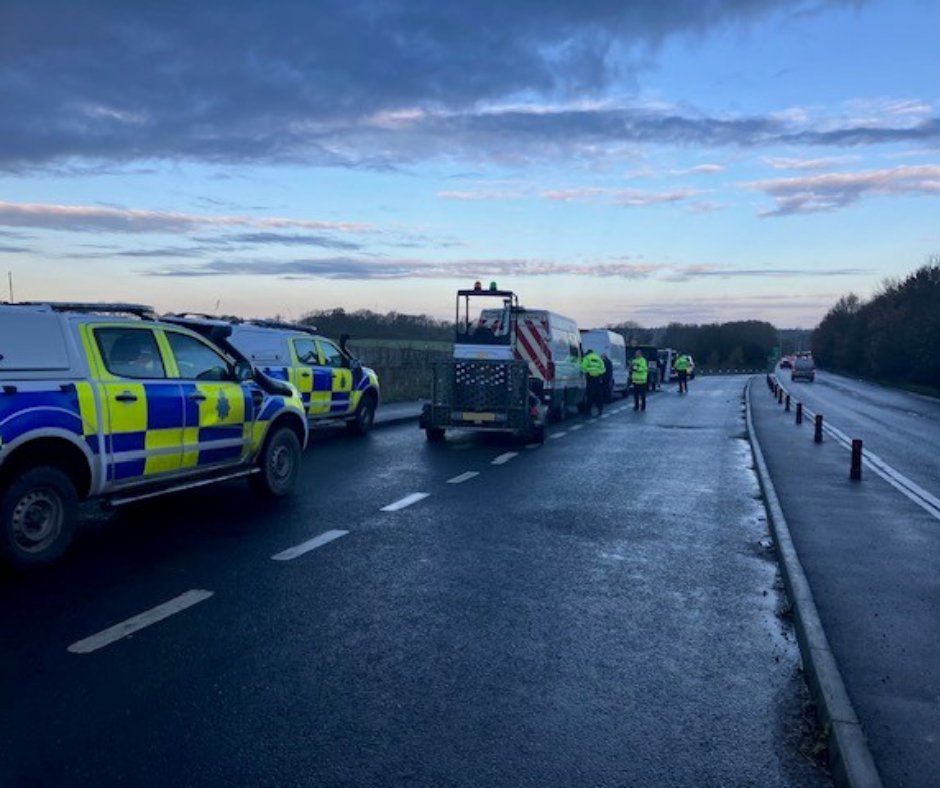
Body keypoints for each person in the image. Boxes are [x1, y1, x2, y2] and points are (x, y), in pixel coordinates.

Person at [581, 348, 606, 416]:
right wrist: (598, 373)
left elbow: (583, 368)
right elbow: (603, 369)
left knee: (590, 396)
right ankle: (600, 410)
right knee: (599, 396)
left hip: (590, 379)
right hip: (598, 379)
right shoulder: (599, 358)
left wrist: (589, 372)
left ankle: (588, 411)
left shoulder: (587, 358)